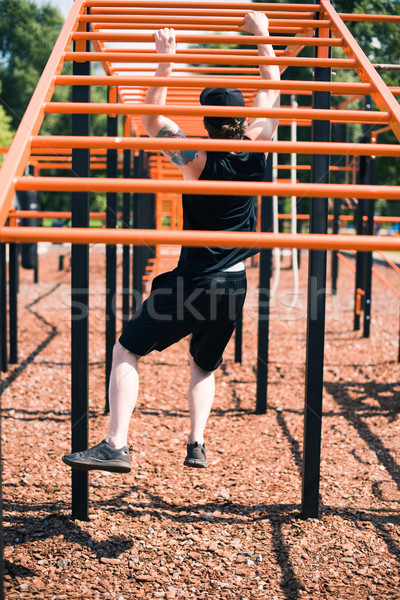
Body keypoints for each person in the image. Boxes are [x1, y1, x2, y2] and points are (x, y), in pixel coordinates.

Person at [62, 12, 280, 473]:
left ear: (205, 117)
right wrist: (262, 37)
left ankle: (115, 444)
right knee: (204, 365)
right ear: (242, 118)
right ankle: (196, 443)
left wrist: (164, 60)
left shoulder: (195, 158)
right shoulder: (258, 145)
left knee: (127, 349)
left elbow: (149, 118)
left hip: (195, 279)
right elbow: (272, 88)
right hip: (235, 284)